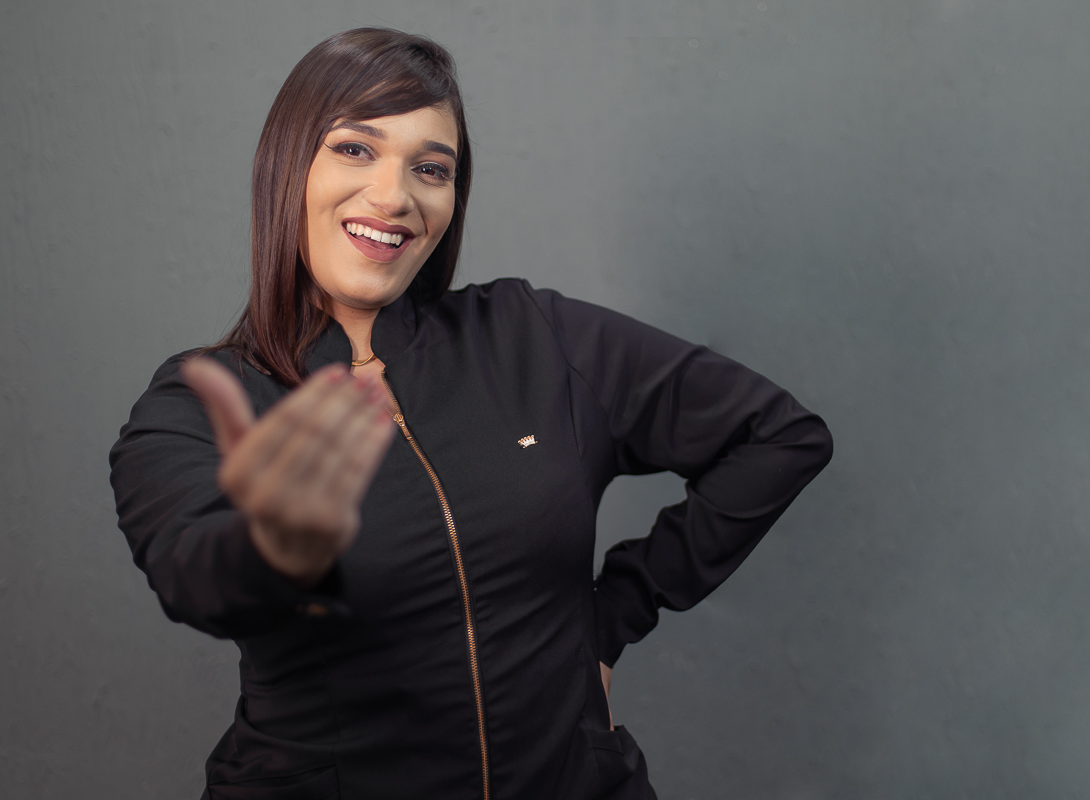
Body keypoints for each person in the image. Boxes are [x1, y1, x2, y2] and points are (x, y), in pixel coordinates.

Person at [108, 27, 833, 800]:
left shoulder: (533, 338)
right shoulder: (198, 402)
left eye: (430, 168)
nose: (394, 196)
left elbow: (778, 436)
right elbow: (190, 568)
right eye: (354, 149)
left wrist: (614, 614)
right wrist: (270, 547)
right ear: (288, 165)